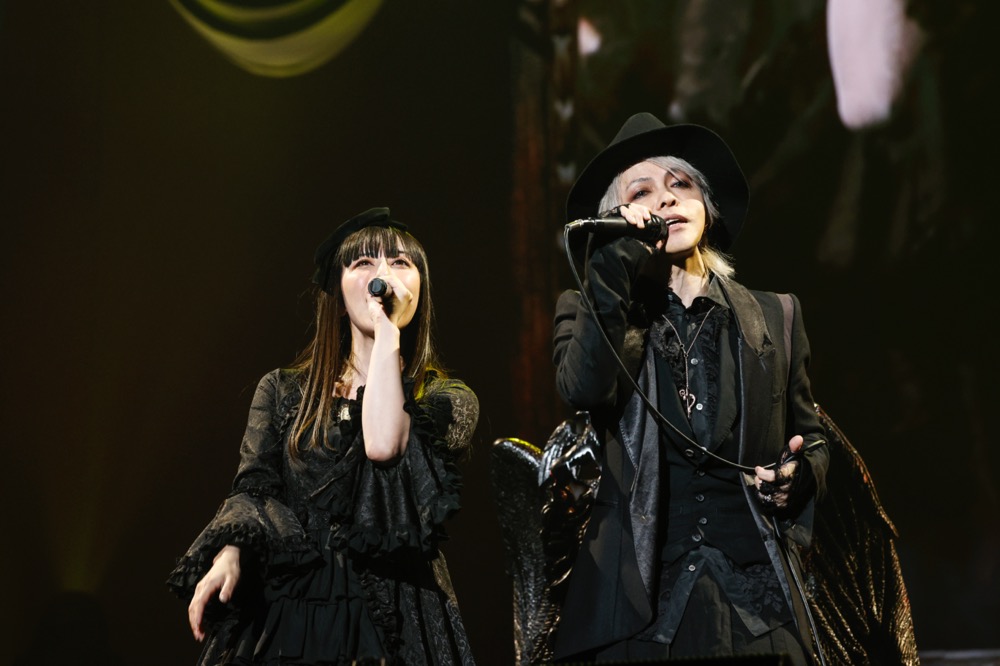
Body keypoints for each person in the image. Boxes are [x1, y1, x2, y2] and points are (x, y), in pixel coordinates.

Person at [550, 113, 830, 664]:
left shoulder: (776, 315)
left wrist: (798, 477)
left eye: (681, 184)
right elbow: (584, 389)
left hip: (758, 605)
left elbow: (814, 437)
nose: (666, 199)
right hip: (640, 607)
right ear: (618, 217)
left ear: (707, 205)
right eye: (641, 192)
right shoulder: (590, 309)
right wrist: (612, 265)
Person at [166, 207, 479, 665]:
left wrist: (386, 332)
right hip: (292, 607)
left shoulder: (445, 400)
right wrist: (231, 551)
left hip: (395, 610)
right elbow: (256, 487)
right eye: (364, 262)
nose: (383, 276)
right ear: (338, 290)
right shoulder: (282, 390)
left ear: (420, 288)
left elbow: (383, 446)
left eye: (400, 262)